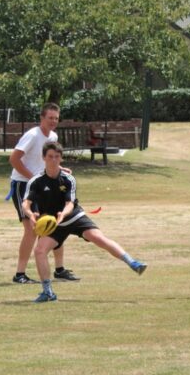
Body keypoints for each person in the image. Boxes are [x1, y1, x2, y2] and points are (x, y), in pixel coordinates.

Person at [22, 142, 146, 302]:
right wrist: (30, 215)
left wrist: (63, 215)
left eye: (57, 157)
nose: (53, 160)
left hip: (73, 217)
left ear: (61, 158)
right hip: (53, 224)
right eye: (50, 157)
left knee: (99, 238)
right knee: (39, 251)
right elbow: (26, 203)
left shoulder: (68, 179)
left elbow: (70, 204)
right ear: (43, 158)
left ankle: (133, 263)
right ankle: (48, 292)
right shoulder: (36, 181)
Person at [9, 103, 77, 284]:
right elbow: (14, 159)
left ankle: (60, 269)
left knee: (54, 224)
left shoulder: (53, 136)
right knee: (32, 230)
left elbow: (46, 160)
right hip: (23, 185)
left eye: (56, 118)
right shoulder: (32, 135)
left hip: (42, 185)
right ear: (42, 118)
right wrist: (35, 180)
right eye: (50, 118)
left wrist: (60, 168)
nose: (54, 121)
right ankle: (20, 274)